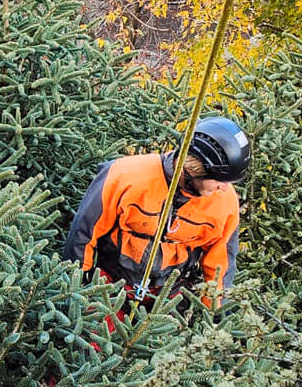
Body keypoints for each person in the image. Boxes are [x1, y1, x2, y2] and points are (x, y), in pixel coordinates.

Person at [65, 116, 250, 308]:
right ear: (194, 168)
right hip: (110, 284)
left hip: (170, 296)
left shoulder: (224, 203)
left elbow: (221, 261)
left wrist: (215, 310)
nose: (225, 189)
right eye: (220, 180)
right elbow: (84, 232)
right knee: (97, 335)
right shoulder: (124, 176)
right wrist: (77, 287)